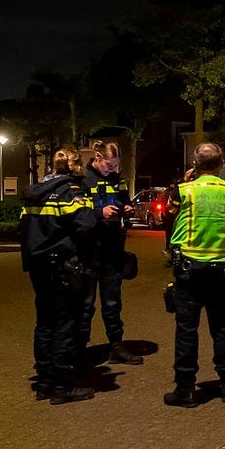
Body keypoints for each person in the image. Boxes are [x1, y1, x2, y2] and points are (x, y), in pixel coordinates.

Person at [19, 148, 98, 404]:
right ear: (76, 167)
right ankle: (63, 386)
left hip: (38, 266)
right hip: (64, 266)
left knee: (44, 323)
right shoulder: (72, 192)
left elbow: (25, 228)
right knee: (65, 324)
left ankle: (44, 382)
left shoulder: (33, 193)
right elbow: (87, 226)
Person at [165, 142, 225, 407]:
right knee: (221, 328)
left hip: (189, 270)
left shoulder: (185, 190)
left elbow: (169, 215)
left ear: (194, 164)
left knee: (187, 330)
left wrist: (185, 182)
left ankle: (185, 389)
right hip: (221, 271)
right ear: (221, 164)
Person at [80, 141, 143, 365]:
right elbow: (77, 211)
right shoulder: (83, 179)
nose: (112, 169)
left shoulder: (118, 178)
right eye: (109, 165)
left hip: (113, 248)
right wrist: (99, 212)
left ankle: (116, 346)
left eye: (116, 166)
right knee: (85, 304)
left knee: (113, 302)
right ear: (97, 157)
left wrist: (126, 208)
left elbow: (124, 200)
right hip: (89, 249)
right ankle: (80, 351)